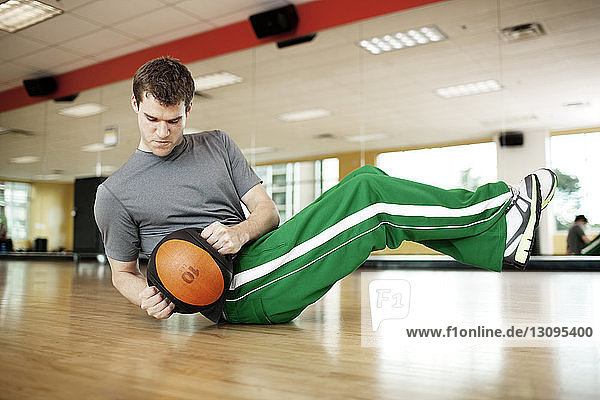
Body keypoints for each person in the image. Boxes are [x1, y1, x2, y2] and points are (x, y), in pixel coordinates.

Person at [94, 57, 557, 323]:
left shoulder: (216, 143)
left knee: (364, 181)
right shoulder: (115, 193)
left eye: (173, 121)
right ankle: (496, 214)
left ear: (188, 109)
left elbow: (266, 214)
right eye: (152, 119)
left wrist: (240, 233)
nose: (162, 131)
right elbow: (122, 271)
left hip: (258, 251)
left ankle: (496, 241)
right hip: (230, 290)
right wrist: (145, 298)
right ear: (135, 104)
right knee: (373, 203)